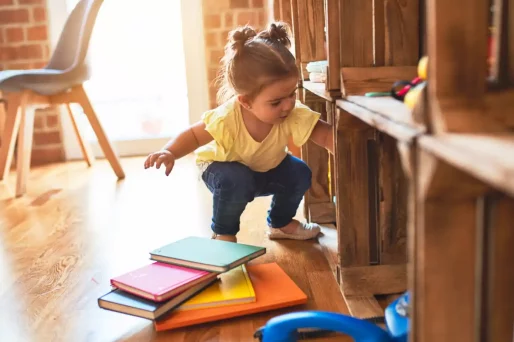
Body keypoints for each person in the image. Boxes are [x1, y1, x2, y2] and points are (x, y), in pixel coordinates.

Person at [144, 22, 333, 243]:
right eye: (276, 102)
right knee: (237, 179)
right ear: (245, 102)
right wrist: (170, 152)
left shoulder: (292, 112)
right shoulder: (228, 118)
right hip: (222, 170)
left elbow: (323, 133)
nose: (288, 105)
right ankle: (224, 233)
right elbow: (194, 135)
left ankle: (280, 223)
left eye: (292, 93)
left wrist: (344, 147)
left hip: (264, 169)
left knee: (299, 172)